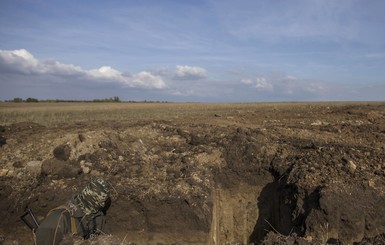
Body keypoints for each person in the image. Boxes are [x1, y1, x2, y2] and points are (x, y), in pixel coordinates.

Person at [35, 178, 111, 245]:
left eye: (104, 201)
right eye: (99, 201)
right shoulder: (60, 217)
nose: (103, 204)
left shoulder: (98, 217)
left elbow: (106, 239)